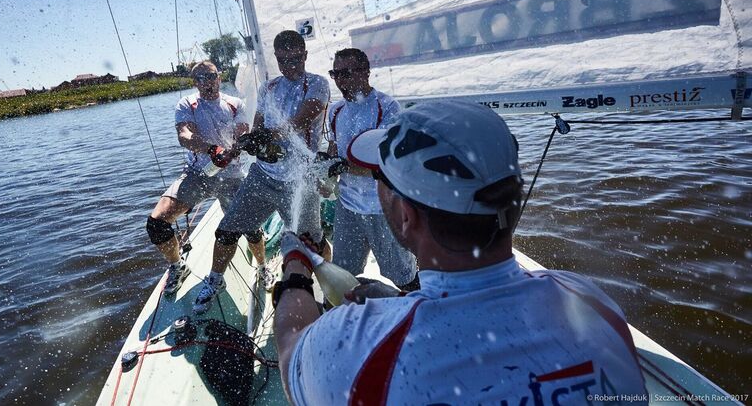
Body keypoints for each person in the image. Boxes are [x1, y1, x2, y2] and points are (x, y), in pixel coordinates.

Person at [273, 101, 648, 405]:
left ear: (406, 216)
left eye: (379, 177)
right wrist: (400, 301)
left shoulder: (354, 348)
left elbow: (291, 352)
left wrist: (296, 267)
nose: (377, 184)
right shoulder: (590, 303)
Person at [192, 30, 331, 314]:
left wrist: (270, 135)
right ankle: (215, 279)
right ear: (276, 58)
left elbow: (303, 118)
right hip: (263, 176)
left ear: (305, 55)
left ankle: (327, 283)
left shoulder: (318, 84)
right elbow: (258, 124)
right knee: (226, 231)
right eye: (283, 60)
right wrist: (253, 140)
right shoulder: (268, 87)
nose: (289, 65)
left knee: (312, 244)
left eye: (295, 59)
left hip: (299, 180)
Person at [145, 61, 267, 296]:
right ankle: (178, 266)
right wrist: (212, 149)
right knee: (157, 224)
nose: (207, 82)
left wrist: (237, 146)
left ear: (218, 77)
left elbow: (242, 130)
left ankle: (262, 267)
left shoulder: (234, 104)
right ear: (195, 83)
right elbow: (184, 134)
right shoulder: (187, 104)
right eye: (200, 78)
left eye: (210, 76)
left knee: (251, 227)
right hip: (198, 174)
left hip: (231, 177)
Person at [323, 48, 418, 290]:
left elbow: (387, 165)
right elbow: (334, 150)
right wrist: (323, 167)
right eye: (335, 74)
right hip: (347, 207)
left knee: (404, 278)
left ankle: (420, 309)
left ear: (365, 72)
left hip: (382, 208)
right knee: (343, 277)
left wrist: (342, 166)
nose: (340, 80)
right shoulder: (335, 110)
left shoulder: (387, 107)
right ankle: (346, 312)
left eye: (346, 73)